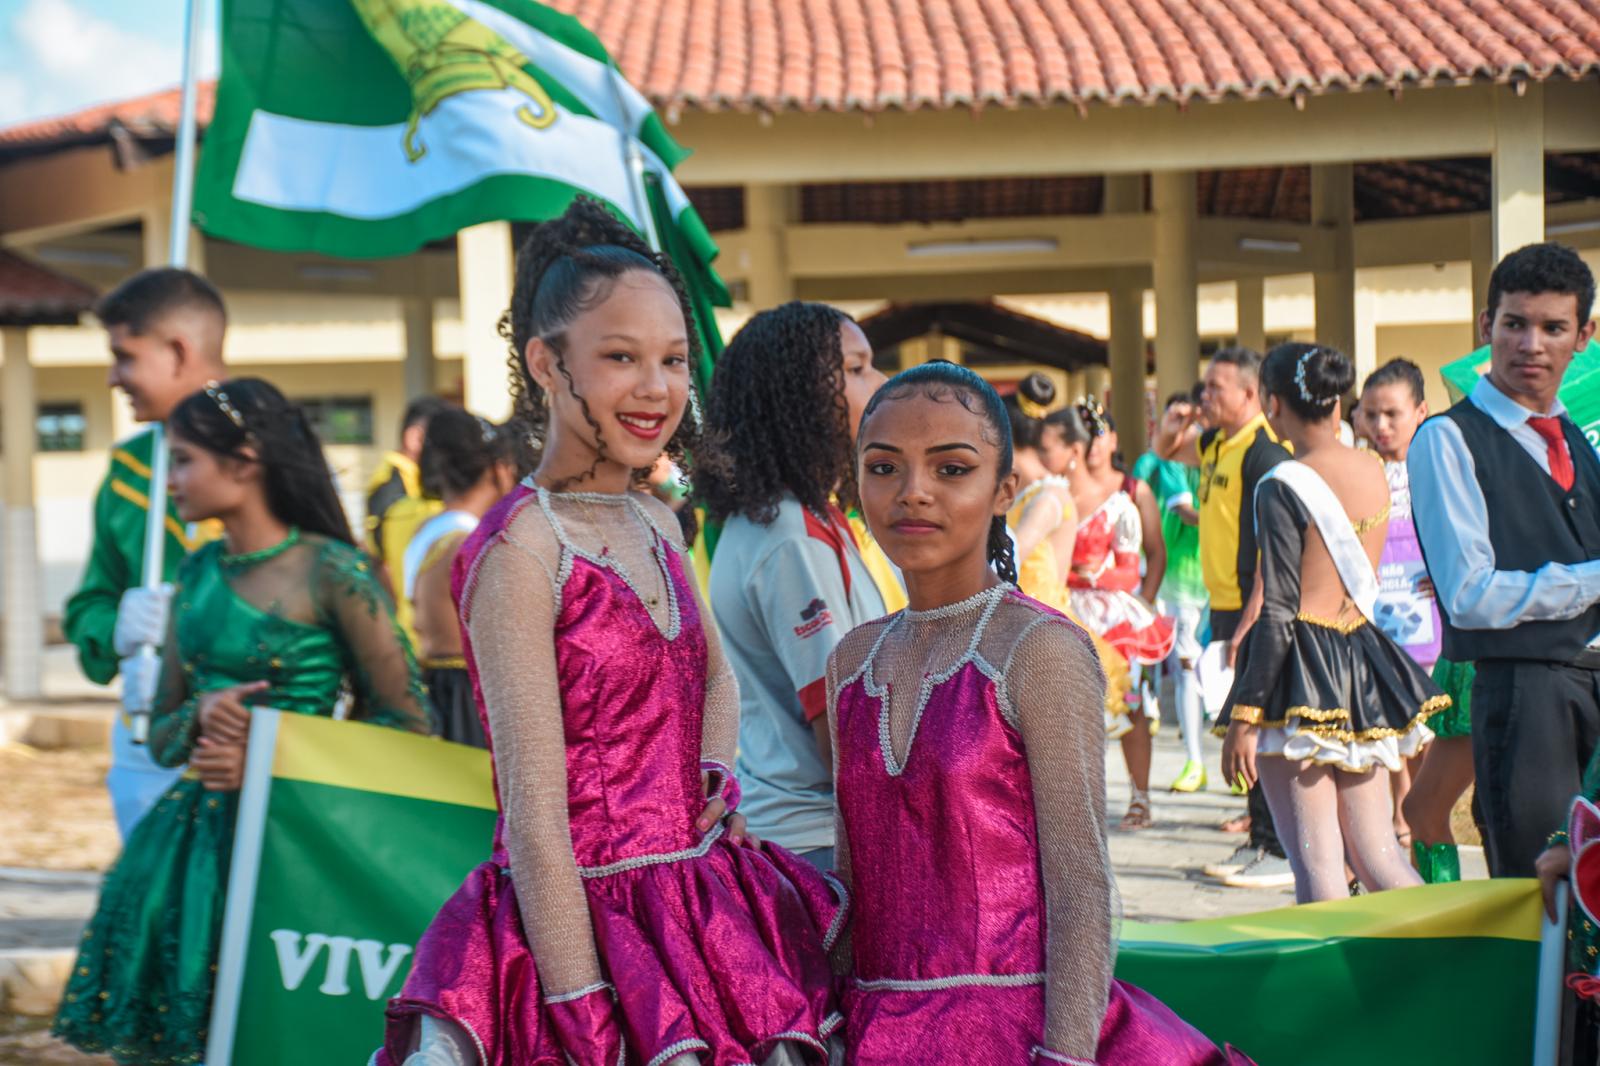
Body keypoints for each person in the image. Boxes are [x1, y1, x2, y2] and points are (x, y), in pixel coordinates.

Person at [381, 200, 842, 1066]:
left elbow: (715, 678)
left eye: (672, 360)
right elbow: (534, 816)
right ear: (547, 364)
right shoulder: (520, 548)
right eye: (621, 358)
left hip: (700, 905)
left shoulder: (660, 522)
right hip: (574, 928)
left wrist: (711, 778)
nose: (657, 389)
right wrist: (581, 1006)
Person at [829, 360, 1253, 1065]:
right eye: (884, 468)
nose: (914, 493)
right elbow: (854, 883)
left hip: (1022, 1033)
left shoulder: (1039, 648)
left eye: (951, 469)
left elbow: (1082, 888)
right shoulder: (853, 659)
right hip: (878, 1033)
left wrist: (1066, 1056)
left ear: (1005, 492)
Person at [53, 378, 431, 1063]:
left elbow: (407, 723)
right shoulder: (195, 574)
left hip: (297, 846)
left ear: (246, 459)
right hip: (188, 856)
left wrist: (276, 753)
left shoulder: (334, 573)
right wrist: (197, 713)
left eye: (185, 459)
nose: (171, 482)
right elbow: (163, 737)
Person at [1216, 344, 1444, 903]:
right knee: (1379, 857)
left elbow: (1277, 610)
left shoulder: (1281, 481)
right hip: (1359, 661)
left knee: (1317, 868)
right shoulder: (1373, 468)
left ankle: (1334, 991)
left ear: (1273, 403)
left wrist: (1245, 717)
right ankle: (1438, 958)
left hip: (1297, 671)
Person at [1412, 242, 1600, 880]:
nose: (1532, 345)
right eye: (1515, 323)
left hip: (1591, 677)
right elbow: (1468, 595)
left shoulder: (1578, 435)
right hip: (1525, 690)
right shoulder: (1447, 438)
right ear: (1486, 325)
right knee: (1536, 898)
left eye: (1553, 328)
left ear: (1584, 336)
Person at [700, 301, 891, 870]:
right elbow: (842, 728)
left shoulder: (809, 516)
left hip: (816, 833)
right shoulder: (791, 538)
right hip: (818, 843)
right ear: (802, 397)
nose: (880, 384)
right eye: (856, 370)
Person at [62, 267, 228, 839]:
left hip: (246, 742)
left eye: (125, 356)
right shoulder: (129, 470)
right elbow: (88, 606)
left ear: (178, 352)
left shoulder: (274, 450)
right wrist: (118, 631)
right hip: (144, 742)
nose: (112, 377)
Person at [1162, 347, 1294, 889]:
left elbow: (1273, 549)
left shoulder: (1266, 453)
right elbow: (1169, 450)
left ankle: (1275, 846)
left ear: (1249, 394)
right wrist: (1174, 423)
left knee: (1258, 724)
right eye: (1203, 387)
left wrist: (1249, 621)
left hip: (1251, 607)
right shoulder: (1217, 441)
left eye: (1215, 389)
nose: (1204, 397)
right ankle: (1260, 836)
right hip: (1220, 603)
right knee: (1241, 726)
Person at [1358, 359, 1466, 881]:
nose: (1381, 426)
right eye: (1371, 414)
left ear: (1420, 411)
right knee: (1390, 740)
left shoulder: (1443, 463)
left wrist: (1441, 576)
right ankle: (1402, 828)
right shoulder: (1360, 472)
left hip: (1434, 629)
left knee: (1425, 741)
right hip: (1378, 627)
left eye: (1393, 414)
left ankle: (1418, 842)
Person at [1047, 402, 1173, 830]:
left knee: (1133, 706)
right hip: (1065, 609)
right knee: (1069, 709)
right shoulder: (1055, 491)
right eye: (1085, 434)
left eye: (1100, 433)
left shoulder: (1132, 490)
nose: (1093, 444)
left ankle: (1140, 797)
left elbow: (1153, 555)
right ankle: (1079, 801)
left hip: (1117, 615)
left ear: (1114, 440)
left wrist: (1145, 602)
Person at [1005, 372, 1133, 724]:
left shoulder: (1046, 497)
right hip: (1028, 627)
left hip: (1038, 630)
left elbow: (1009, 557)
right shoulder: (1035, 494)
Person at [402, 408, 526, 748]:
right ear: (500, 469)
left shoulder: (427, 529)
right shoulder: (470, 543)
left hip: (434, 687)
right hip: (468, 697)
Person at [1134, 391, 1211, 793]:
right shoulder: (1163, 465)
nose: (1186, 427)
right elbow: (1184, 511)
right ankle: (1195, 761)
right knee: (1184, 668)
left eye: (1192, 419)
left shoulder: (1218, 453)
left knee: (1206, 670)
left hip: (1217, 581)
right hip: (1176, 583)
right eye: (1176, 419)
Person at [367, 395, 453, 641]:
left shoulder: (409, 482)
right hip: (414, 633)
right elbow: (380, 562)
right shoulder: (393, 486)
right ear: (415, 437)